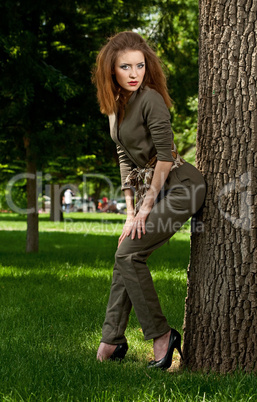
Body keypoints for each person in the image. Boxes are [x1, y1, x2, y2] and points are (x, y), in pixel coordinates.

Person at [92, 31, 206, 370]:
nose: (133, 73)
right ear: (110, 70)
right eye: (125, 67)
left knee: (129, 253)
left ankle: (160, 335)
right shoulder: (115, 106)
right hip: (151, 192)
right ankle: (111, 340)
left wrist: (145, 207)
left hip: (183, 188)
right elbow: (124, 157)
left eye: (139, 65)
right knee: (125, 251)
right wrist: (130, 211)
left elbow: (165, 158)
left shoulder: (150, 98)